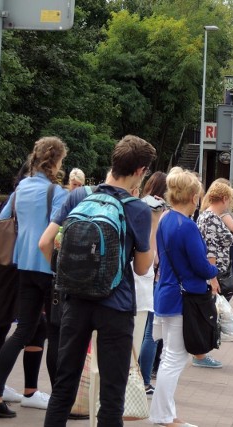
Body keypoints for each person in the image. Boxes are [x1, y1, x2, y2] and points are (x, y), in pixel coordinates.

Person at [39, 135, 159, 426]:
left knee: (63, 389)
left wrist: (64, 274)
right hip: (115, 307)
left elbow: (45, 243)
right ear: (141, 171)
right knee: (111, 396)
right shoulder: (138, 209)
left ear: (113, 161)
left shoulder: (79, 195)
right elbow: (143, 268)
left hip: (75, 302)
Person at [0, 137, 69, 418]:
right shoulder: (56, 193)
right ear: (55, 162)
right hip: (48, 268)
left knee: (21, 332)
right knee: (55, 334)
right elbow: (60, 233)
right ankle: (61, 402)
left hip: (23, 268)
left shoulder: (21, 188)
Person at [149, 167, 219, 426]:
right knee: (174, 359)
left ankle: (165, 414)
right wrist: (215, 269)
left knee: (170, 356)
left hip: (167, 293)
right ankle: (163, 417)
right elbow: (201, 267)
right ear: (193, 197)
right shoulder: (187, 226)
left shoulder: (166, 218)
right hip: (184, 298)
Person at [134, 171, 167, 396]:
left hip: (134, 271)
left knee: (137, 329)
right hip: (151, 273)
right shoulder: (159, 209)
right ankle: (144, 380)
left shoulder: (138, 205)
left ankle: (137, 378)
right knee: (150, 331)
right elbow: (154, 246)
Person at [195, 179, 233, 357]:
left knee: (212, 313)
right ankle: (202, 353)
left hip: (215, 272)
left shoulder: (207, 216)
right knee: (210, 314)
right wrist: (213, 280)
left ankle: (204, 349)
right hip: (214, 273)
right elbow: (210, 250)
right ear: (224, 198)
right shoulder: (211, 218)